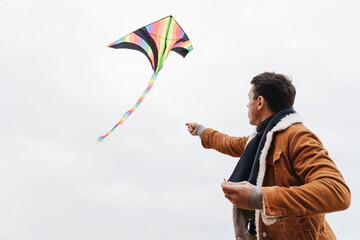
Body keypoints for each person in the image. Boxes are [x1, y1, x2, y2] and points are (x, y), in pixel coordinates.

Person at [186, 72, 351, 240]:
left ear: (259, 102)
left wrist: (260, 198)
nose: (246, 106)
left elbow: (337, 191)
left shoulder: (298, 136)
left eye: (248, 98)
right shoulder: (259, 140)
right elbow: (228, 142)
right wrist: (201, 131)